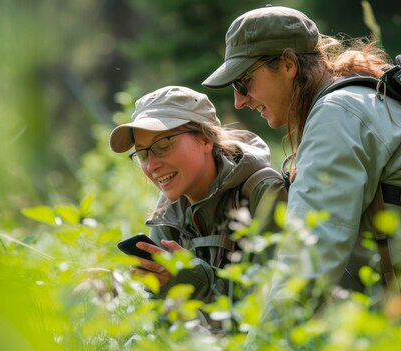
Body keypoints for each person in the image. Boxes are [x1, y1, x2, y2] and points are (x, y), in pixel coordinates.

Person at [202, 5, 401, 293]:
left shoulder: (336, 115)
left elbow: (307, 261)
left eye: (243, 82)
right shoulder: (349, 100)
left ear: (288, 65)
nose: (239, 101)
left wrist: (264, 339)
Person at [109, 86, 287, 305]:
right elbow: (157, 313)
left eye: (163, 145)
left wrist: (194, 283)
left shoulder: (263, 191)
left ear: (205, 139)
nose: (152, 165)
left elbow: (275, 302)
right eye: (143, 153)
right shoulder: (169, 208)